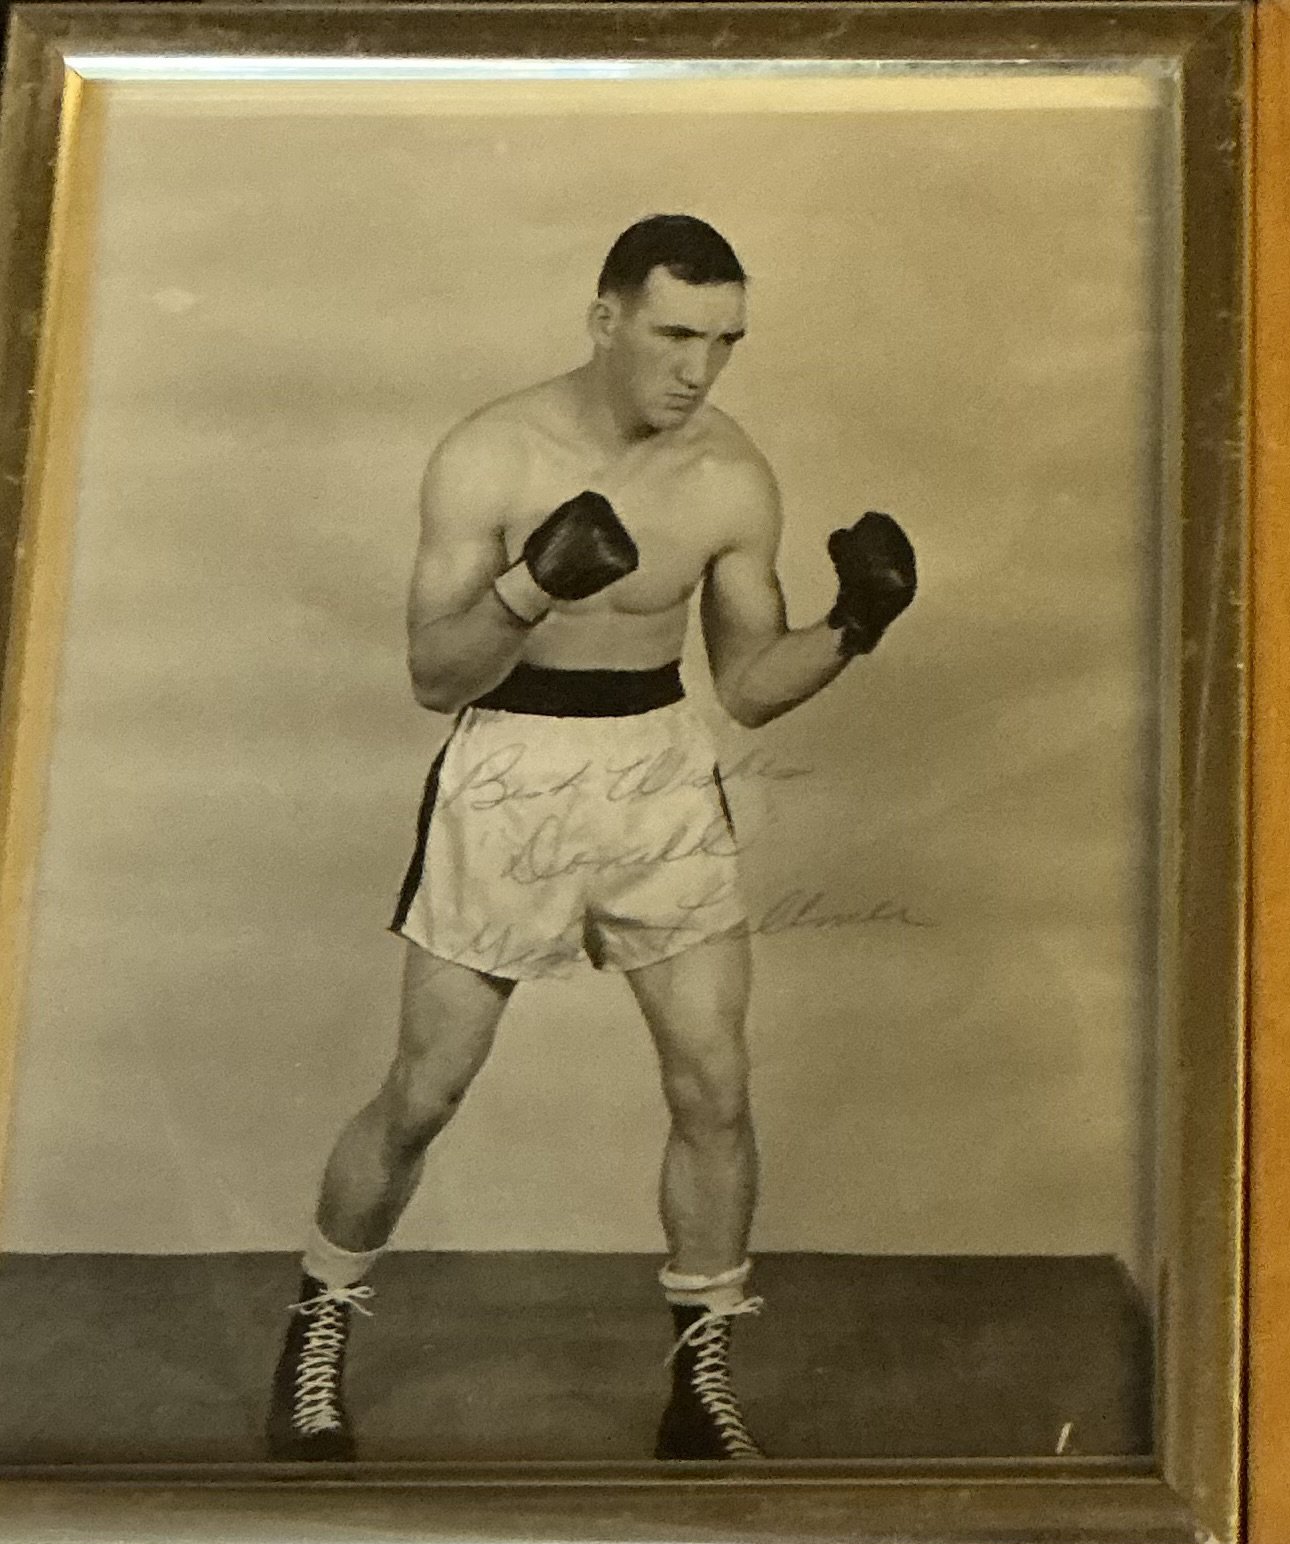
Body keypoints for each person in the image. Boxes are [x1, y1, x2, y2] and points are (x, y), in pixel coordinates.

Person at [266, 214, 917, 1462]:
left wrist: (853, 625)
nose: (699, 370)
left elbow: (747, 687)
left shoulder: (731, 474)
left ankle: (699, 1376)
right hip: (511, 760)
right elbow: (431, 672)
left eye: (724, 342)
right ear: (606, 316)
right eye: (675, 334)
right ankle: (317, 1329)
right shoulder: (491, 455)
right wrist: (533, 584)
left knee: (713, 1080)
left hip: (657, 765)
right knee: (426, 1089)